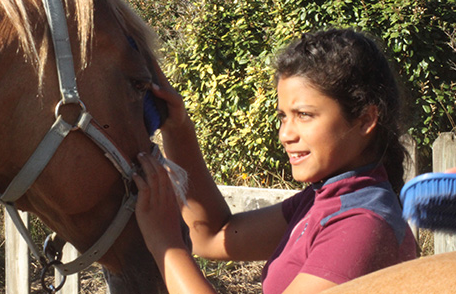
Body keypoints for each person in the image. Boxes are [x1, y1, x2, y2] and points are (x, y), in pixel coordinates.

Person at [133, 28, 418, 294]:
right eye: (283, 116)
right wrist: (178, 127)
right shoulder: (321, 201)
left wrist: (165, 244)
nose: (285, 134)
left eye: (304, 115)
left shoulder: (362, 225)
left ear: (366, 119)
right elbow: (213, 235)